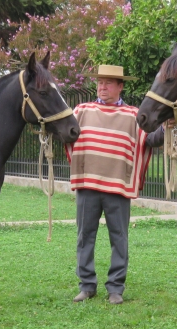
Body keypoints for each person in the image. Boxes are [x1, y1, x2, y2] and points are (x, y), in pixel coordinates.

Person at [65, 65, 165, 305]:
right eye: (100, 82)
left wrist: (167, 128)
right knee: (84, 236)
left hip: (118, 188)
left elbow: (151, 139)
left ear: (120, 86)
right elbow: (64, 132)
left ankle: (115, 288)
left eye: (109, 82)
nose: (102, 87)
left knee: (119, 237)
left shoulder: (134, 115)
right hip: (87, 184)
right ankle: (87, 286)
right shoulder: (81, 111)